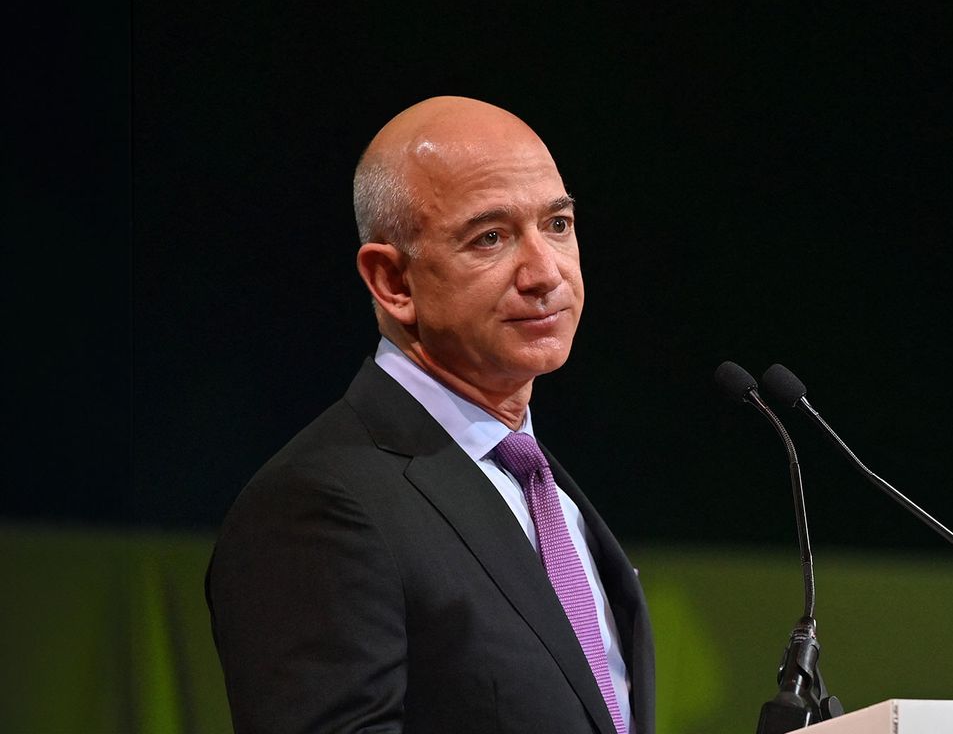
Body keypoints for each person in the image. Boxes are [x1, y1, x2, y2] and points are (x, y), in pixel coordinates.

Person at [205, 96, 655, 734]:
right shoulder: (318, 507)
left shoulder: (540, 486)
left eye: (557, 225)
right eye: (491, 237)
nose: (545, 272)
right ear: (393, 281)